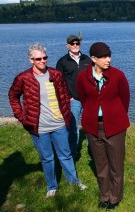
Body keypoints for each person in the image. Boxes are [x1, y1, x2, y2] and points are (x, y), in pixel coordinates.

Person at [8, 43, 87, 198]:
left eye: (45, 57)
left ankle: (74, 181)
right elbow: (13, 96)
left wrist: (65, 111)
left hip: (59, 124)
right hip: (38, 127)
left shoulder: (55, 74)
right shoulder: (23, 78)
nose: (43, 61)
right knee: (47, 158)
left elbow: (64, 94)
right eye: (38, 59)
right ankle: (52, 186)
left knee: (65, 154)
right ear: (31, 59)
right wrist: (22, 116)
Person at [76, 42, 130, 210]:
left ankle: (115, 198)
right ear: (93, 58)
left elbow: (125, 99)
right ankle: (104, 196)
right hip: (93, 126)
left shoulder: (118, 75)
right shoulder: (82, 77)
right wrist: (93, 114)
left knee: (116, 164)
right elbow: (83, 98)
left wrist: (116, 116)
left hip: (115, 126)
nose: (108, 59)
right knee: (100, 164)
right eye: (104, 57)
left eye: (109, 55)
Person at [56, 34, 91, 160]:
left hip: (88, 99)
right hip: (73, 100)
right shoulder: (62, 62)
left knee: (90, 125)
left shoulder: (87, 59)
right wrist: (68, 96)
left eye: (77, 43)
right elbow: (59, 82)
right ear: (67, 45)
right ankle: (73, 153)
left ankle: (92, 151)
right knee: (72, 128)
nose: (75, 45)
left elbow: (93, 78)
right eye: (72, 43)